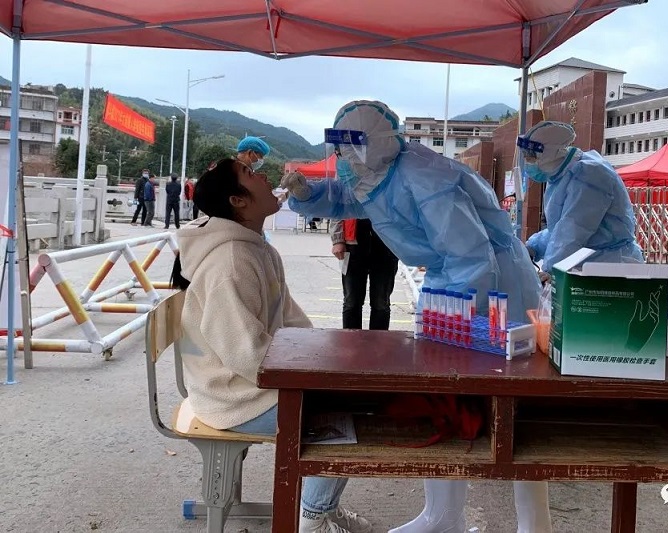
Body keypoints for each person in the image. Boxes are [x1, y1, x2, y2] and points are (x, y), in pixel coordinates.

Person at [281, 100, 549, 533]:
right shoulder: (381, 172)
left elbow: (471, 255)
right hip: (453, 281)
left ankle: (534, 526)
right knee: (445, 401)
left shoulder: (426, 178)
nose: (343, 159)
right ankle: (443, 516)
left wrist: (454, 323)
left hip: (496, 285)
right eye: (340, 149)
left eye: (349, 148)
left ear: (373, 144)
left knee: (509, 411)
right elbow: (351, 197)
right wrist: (307, 193)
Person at [170, 157, 372, 533]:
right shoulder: (231, 261)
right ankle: (312, 518)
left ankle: (319, 509)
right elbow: (245, 353)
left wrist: (322, 355)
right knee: (342, 418)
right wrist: (313, 378)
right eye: (250, 174)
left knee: (348, 392)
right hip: (233, 396)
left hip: (250, 381)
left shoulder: (257, 248)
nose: (264, 176)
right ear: (238, 201)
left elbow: (290, 319)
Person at [518, 121, 644, 282]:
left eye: (531, 156)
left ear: (550, 153)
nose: (528, 162)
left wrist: (552, 269)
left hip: (611, 268)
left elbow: (573, 229)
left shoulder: (589, 174)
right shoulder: (560, 175)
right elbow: (558, 229)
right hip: (591, 266)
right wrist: (533, 247)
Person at [331, 218, 398, 330]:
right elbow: (337, 210)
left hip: (386, 245)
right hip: (353, 246)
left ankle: (379, 341)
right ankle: (351, 341)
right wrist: (337, 240)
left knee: (381, 303)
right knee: (351, 302)